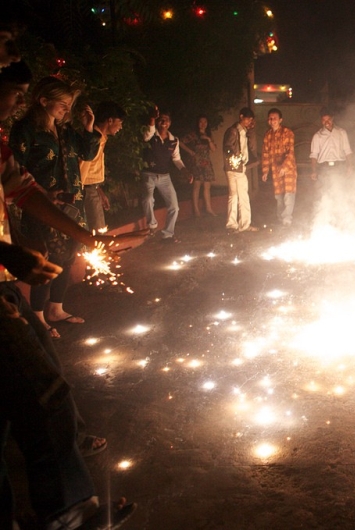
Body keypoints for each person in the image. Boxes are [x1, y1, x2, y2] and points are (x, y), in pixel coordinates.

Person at [0, 59, 138, 530]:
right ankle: (70, 514)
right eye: (12, 86)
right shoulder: (19, 132)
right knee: (45, 391)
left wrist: (83, 236)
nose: (18, 98)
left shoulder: (6, 141)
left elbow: (22, 189)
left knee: (42, 380)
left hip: (4, 274)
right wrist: (13, 252)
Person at [9, 75, 101, 337]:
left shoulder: (65, 130)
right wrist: (42, 193)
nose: (66, 110)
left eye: (69, 105)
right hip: (42, 205)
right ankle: (37, 315)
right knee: (47, 256)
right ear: (43, 100)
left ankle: (56, 308)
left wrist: (88, 128)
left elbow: (87, 153)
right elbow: (15, 169)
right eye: (63, 104)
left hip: (72, 204)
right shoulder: (25, 129)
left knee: (68, 255)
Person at [142, 106, 191, 243]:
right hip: (149, 174)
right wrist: (152, 118)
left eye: (167, 120)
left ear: (170, 122)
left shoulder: (174, 140)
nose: (164, 122)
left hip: (164, 176)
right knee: (147, 199)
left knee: (174, 207)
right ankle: (152, 225)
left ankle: (168, 235)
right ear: (157, 121)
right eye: (161, 119)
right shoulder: (151, 135)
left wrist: (186, 171)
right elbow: (147, 135)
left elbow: (176, 159)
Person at [79, 100, 126, 234]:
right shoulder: (95, 139)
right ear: (110, 120)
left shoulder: (101, 137)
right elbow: (83, 166)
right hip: (85, 191)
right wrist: (77, 192)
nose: (121, 127)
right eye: (120, 122)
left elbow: (92, 169)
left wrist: (99, 190)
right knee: (97, 233)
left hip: (91, 189)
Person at [223, 107, 258, 233]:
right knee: (239, 195)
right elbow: (227, 147)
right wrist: (235, 157)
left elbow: (251, 146)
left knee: (237, 195)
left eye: (251, 120)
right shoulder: (234, 131)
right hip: (235, 167)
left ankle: (236, 224)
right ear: (241, 116)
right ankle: (240, 224)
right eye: (248, 119)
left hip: (238, 167)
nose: (249, 122)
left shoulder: (244, 131)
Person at [261, 107, 297, 227]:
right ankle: (280, 218)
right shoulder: (268, 135)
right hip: (275, 169)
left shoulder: (287, 132)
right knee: (279, 196)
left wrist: (284, 167)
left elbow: (290, 152)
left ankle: (287, 219)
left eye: (275, 118)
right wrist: (265, 171)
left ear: (280, 120)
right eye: (270, 119)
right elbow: (265, 154)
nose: (272, 121)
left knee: (288, 194)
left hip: (288, 169)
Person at [182, 114, 217, 218]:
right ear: (197, 123)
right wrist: (190, 151)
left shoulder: (208, 135)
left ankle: (208, 208)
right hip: (196, 162)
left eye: (205, 122)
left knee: (207, 186)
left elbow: (213, 149)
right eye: (201, 122)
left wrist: (208, 139)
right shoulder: (193, 135)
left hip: (206, 162)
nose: (203, 124)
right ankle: (196, 210)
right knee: (196, 185)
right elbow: (180, 142)